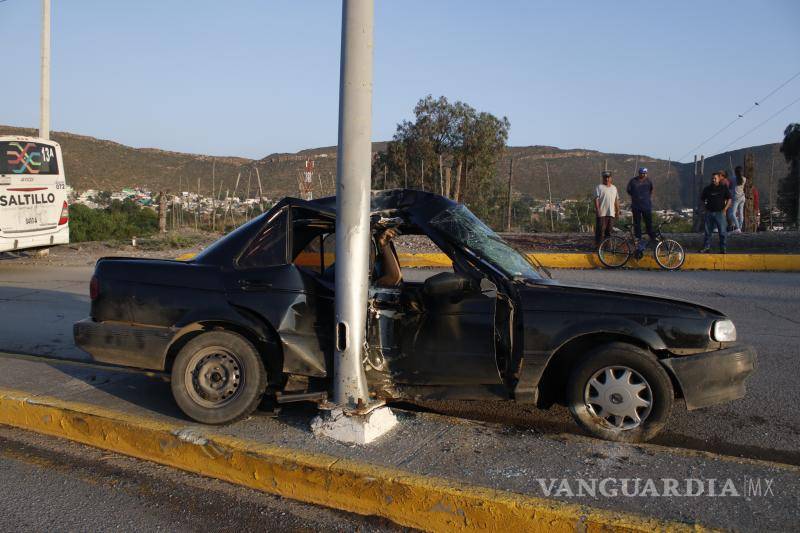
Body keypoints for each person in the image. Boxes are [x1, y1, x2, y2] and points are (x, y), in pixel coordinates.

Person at [699, 171, 732, 253]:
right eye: (712, 178)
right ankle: (706, 247)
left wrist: (725, 209)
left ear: (719, 179)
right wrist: (705, 208)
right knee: (707, 232)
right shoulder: (707, 189)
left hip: (720, 213)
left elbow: (729, 199)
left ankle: (723, 249)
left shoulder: (723, 188)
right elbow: (702, 200)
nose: (713, 180)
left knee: (722, 232)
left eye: (715, 178)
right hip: (709, 213)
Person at [626, 167, 656, 247]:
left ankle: (653, 239)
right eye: (642, 173)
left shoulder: (649, 181)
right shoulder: (633, 181)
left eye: (645, 173)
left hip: (646, 206)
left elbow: (651, 191)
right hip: (636, 206)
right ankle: (638, 239)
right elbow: (629, 191)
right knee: (637, 224)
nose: (643, 174)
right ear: (639, 173)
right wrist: (636, 197)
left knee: (649, 223)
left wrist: (646, 197)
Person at [594, 170, 619, 245]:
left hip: (611, 213)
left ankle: (607, 248)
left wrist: (617, 211)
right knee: (600, 231)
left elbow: (616, 200)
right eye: (605, 177)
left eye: (608, 177)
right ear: (603, 178)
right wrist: (598, 211)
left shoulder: (614, 188)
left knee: (609, 231)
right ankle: (598, 247)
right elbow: (596, 200)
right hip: (602, 213)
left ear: (611, 178)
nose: (607, 179)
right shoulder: (599, 187)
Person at [732, 166, 747, 233]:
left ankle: (738, 227)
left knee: (732, 213)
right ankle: (740, 228)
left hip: (736, 198)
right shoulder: (744, 179)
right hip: (742, 197)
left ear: (735, 172)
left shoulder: (733, 178)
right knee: (741, 213)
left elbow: (731, 184)